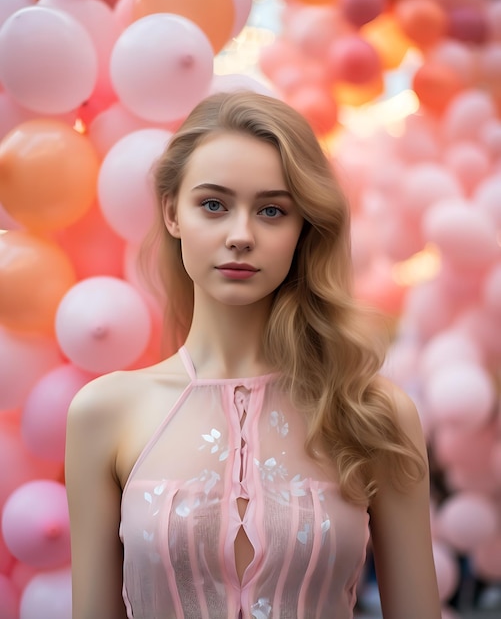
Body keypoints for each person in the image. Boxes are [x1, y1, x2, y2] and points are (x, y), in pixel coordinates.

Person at [65, 90, 441, 619]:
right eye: (213, 204)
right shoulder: (104, 413)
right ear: (173, 213)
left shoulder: (372, 413)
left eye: (271, 210)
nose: (241, 236)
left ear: (302, 227)